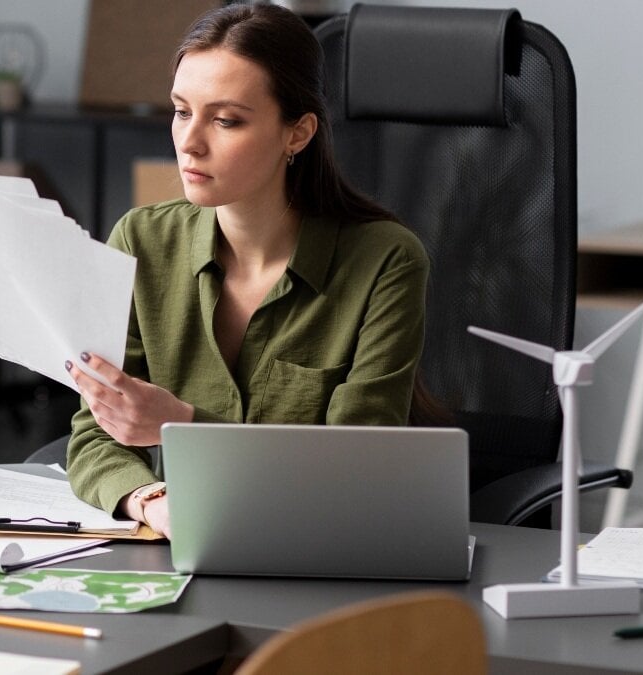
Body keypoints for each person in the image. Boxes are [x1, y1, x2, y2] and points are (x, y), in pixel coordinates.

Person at [64, 4, 430, 539]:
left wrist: (181, 426)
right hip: (174, 546)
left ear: (297, 134)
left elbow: (357, 468)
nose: (189, 142)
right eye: (181, 111)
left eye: (225, 120)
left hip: (320, 549)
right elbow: (95, 433)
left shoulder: (386, 262)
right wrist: (153, 502)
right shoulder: (138, 241)